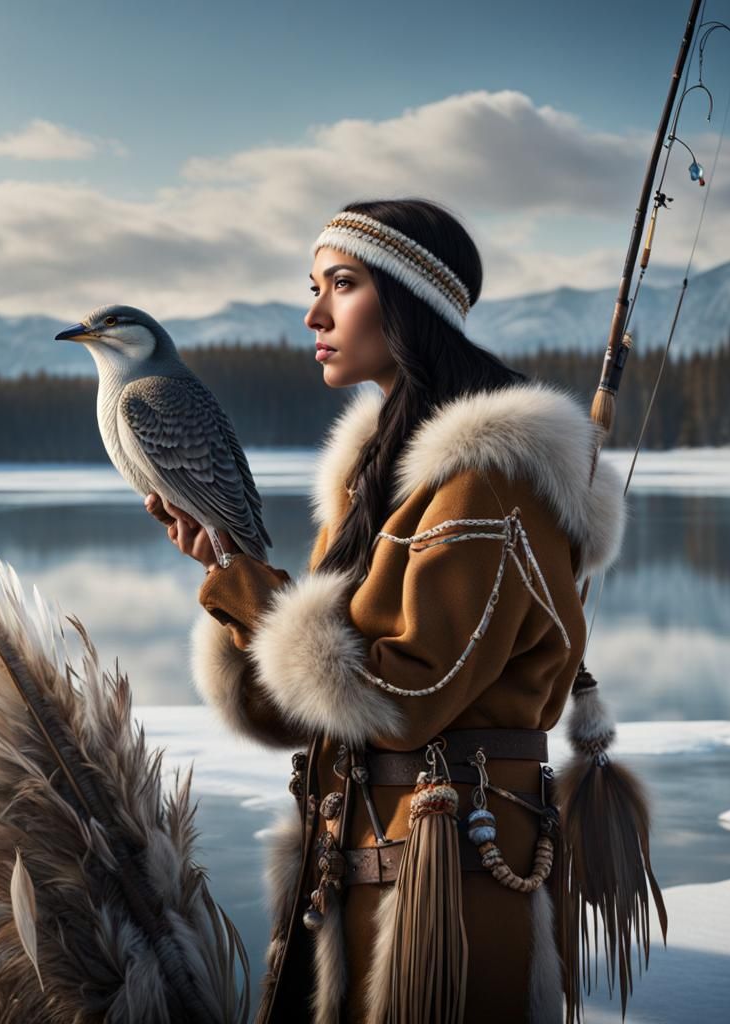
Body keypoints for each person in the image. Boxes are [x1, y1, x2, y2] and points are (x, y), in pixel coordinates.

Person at [146, 198, 627, 1023]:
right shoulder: (385, 482)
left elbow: (399, 702)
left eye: (342, 283)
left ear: (411, 302)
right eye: (315, 287)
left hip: (449, 897)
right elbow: (309, 710)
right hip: (364, 873)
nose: (314, 314)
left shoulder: (487, 483)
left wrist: (267, 600)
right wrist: (232, 574)